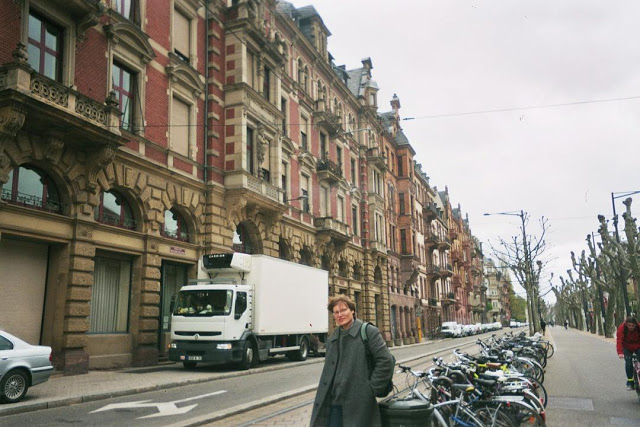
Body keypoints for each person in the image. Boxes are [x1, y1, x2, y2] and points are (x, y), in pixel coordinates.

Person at [310, 295, 394, 427]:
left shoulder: (368, 332)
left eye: (343, 310)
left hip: (359, 405)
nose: (340, 315)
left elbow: (386, 361)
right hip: (334, 405)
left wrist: (370, 389)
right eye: (336, 312)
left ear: (352, 310)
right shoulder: (332, 339)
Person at [616, 316, 640, 390]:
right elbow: (619, 341)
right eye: (629, 325)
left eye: (633, 325)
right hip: (627, 347)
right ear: (626, 324)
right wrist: (620, 353)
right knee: (628, 363)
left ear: (635, 325)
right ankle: (630, 382)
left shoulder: (639, 327)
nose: (631, 327)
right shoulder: (622, 328)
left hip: (638, 345)